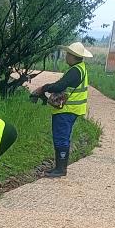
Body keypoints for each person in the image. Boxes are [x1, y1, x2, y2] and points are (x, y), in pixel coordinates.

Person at [30, 41, 92, 178]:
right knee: (62, 137)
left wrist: (44, 88)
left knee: (61, 138)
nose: (65, 57)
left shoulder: (75, 71)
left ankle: (60, 169)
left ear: (72, 56)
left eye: (67, 54)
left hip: (67, 110)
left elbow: (60, 86)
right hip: (71, 109)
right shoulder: (80, 68)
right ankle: (59, 167)